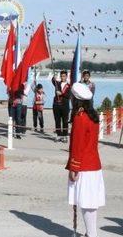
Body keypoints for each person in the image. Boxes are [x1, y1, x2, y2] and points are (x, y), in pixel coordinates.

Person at [66, 82, 105, 237]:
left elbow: (77, 145)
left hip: (84, 165)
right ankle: (91, 233)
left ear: (75, 99)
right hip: (94, 164)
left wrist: (74, 167)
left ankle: (92, 234)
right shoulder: (92, 114)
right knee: (91, 203)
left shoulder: (80, 117)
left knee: (87, 203)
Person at [52, 70, 71, 142]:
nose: (63, 77)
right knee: (57, 121)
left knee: (65, 121)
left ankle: (65, 136)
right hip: (56, 105)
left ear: (66, 76)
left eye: (64, 76)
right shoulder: (57, 83)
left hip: (65, 105)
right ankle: (58, 135)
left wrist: (61, 94)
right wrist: (54, 77)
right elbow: (53, 80)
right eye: (61, 76)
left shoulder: (69, 85)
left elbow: (69, 96)